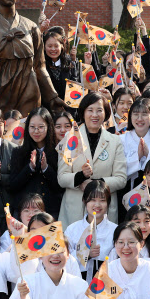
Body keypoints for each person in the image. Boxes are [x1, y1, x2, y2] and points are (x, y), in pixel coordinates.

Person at [58, 92, 127, 226]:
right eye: (90, 110)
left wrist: (95, 185)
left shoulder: (114, 141)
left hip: (104, 212)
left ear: (106, 113)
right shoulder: (70, 137)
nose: (94, 115)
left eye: (99, 110)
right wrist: (80, 178)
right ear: (83, 112)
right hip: (74, 211)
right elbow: (62, 178)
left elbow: (121, 179)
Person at [4, 237, 93, 299]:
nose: (55, 256)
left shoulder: (80, 285)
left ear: (68, 254)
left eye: (60, 251)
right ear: (41, 256)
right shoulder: (27, 282)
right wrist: (22, 298)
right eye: (50, 251)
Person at [10, 107, 62, 218]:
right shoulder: (18, 152)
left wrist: (46, 169)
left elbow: (60, 187)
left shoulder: (58, 152)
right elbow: (13, 186)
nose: (36, 131)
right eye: (32, 127)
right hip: (25, 213)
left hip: (49, 212)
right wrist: (29, 168)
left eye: (41, 127)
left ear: (49, 127)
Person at [64, 180, 117, 281]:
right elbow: (65, 259)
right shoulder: (72, 229)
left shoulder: (115, 230)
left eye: (102, 200)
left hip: (105, 285)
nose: (97, 205)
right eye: (92, 200)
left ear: (108, 202)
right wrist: (85, 254)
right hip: (77, 283)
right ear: (84, 201)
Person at [42, 30, 79, 102]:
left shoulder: (70, 63)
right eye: (50, 46)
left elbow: (76, 88)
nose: (53, 49)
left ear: (62, 46)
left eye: (56, 46)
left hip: (68, 108)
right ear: (44, 46)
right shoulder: (41, 65)